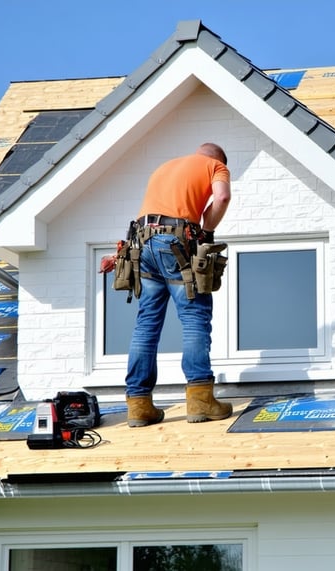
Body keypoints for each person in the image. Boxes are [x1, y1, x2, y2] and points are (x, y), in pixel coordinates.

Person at [122, 142, 233, 426]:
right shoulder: (215, 166)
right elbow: (221, 198)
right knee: (194, 317)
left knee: (146, 324)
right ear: (219, 160)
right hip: (174, 242)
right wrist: (206, 231)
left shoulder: (165, 166)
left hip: (142, 244)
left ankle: (139, 405)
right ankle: (200, 399)